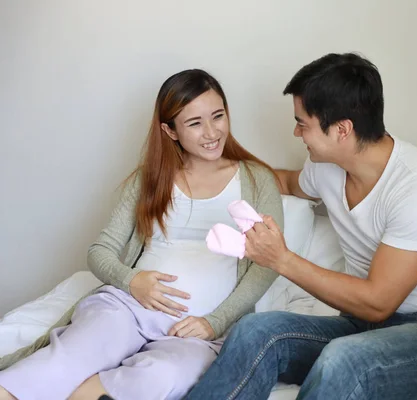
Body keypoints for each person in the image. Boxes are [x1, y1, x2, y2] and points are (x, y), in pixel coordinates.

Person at [185, 53, 417, 400]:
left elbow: (378, 303)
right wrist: (213, 168)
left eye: (302, 123)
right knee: (255, 331)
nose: (296, 132)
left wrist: (281, 259)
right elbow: (281, 181)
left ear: (342, 129)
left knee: (344, 359)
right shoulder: (325, 168)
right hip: (363, 326)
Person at [0, 69, 283, 400]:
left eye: (218, 116)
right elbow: (100, 250)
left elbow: (268, 264)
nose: (211, 132)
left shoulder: (256, 179)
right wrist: (132, 280)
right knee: (72, 355)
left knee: (162, 377)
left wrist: (214, 322)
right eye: (194, 123)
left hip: (197, 333)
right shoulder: (152, 179)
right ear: (170, 130)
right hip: (128, 309)